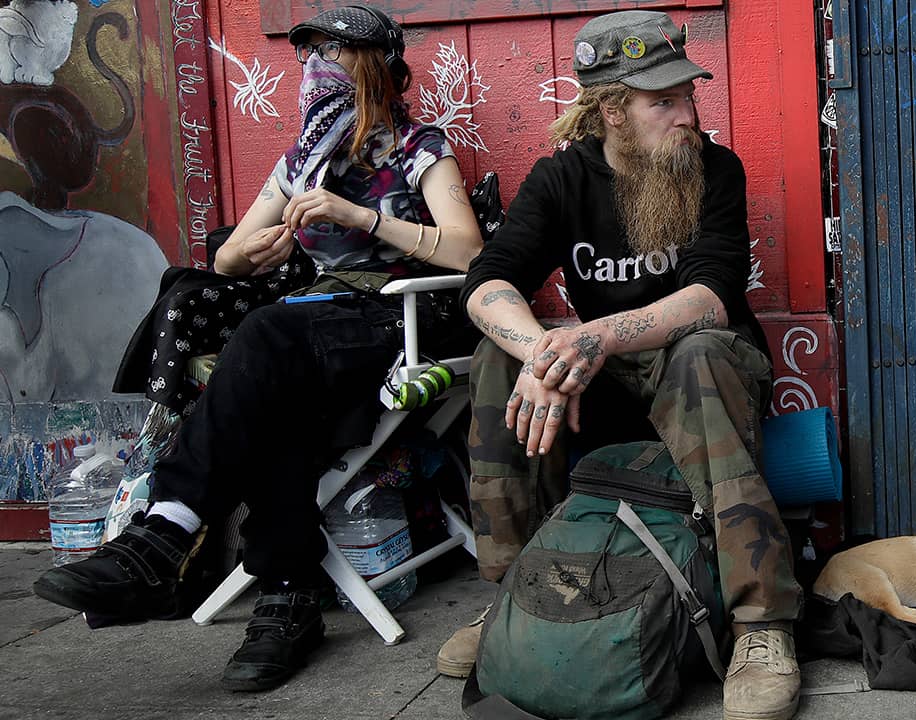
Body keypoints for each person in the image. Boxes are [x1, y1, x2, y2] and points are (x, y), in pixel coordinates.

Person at [32, 4, 483, 693]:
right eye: (306, 56)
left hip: (399, 316)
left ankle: (173, 533)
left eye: (331, 54)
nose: (312, 68)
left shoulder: (420, 146)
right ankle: (284, 596)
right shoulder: (301, 160)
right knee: (254, 354)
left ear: (376, 69)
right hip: (312, 325)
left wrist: (360, 216)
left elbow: (468, 249)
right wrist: (250, 252)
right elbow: (234, 258)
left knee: (267, 335)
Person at [435, 11, 803, 720]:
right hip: (599, 384)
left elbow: (710, 297)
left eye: (687, 96)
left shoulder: (713, 170)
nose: (686, 114)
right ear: (612, 111)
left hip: (702, 375)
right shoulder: (560, 180)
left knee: (697, 349)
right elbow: (487, 281)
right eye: (662, 101)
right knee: (492, 357)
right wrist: (542, 351)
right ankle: (520, 594)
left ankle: (763, 623)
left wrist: (591, 338)